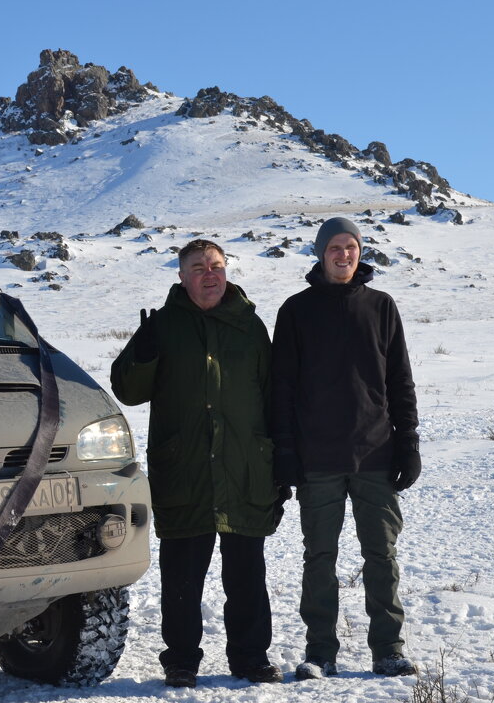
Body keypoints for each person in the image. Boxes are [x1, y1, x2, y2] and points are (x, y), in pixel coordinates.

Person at [111, 238, 283, 687]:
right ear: (181, 275)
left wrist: (279, 463)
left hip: (244, 467)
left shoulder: (250, 326)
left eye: (217, 265)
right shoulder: (164, 325)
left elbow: (272, 396)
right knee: (183, 576)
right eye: (198, 267)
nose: (210, 274)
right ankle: (181, 661)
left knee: (247, 574)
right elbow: (128, 391)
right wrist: (143, 353)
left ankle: (250, 657)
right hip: (183, 469)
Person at [270, 217, 421, 680]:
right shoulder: (296, 310)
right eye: (334, 246)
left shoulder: (380, 306)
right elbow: (281, 389)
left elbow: (399, 380)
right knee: (320, 557)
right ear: (320, 253)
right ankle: (320, 652)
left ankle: (388, 650)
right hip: (319, 459)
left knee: (382, 555)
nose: (343, 254)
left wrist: (408, 441)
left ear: (360, 252)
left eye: (350, 246)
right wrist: (286, 452)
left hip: (376, 452)